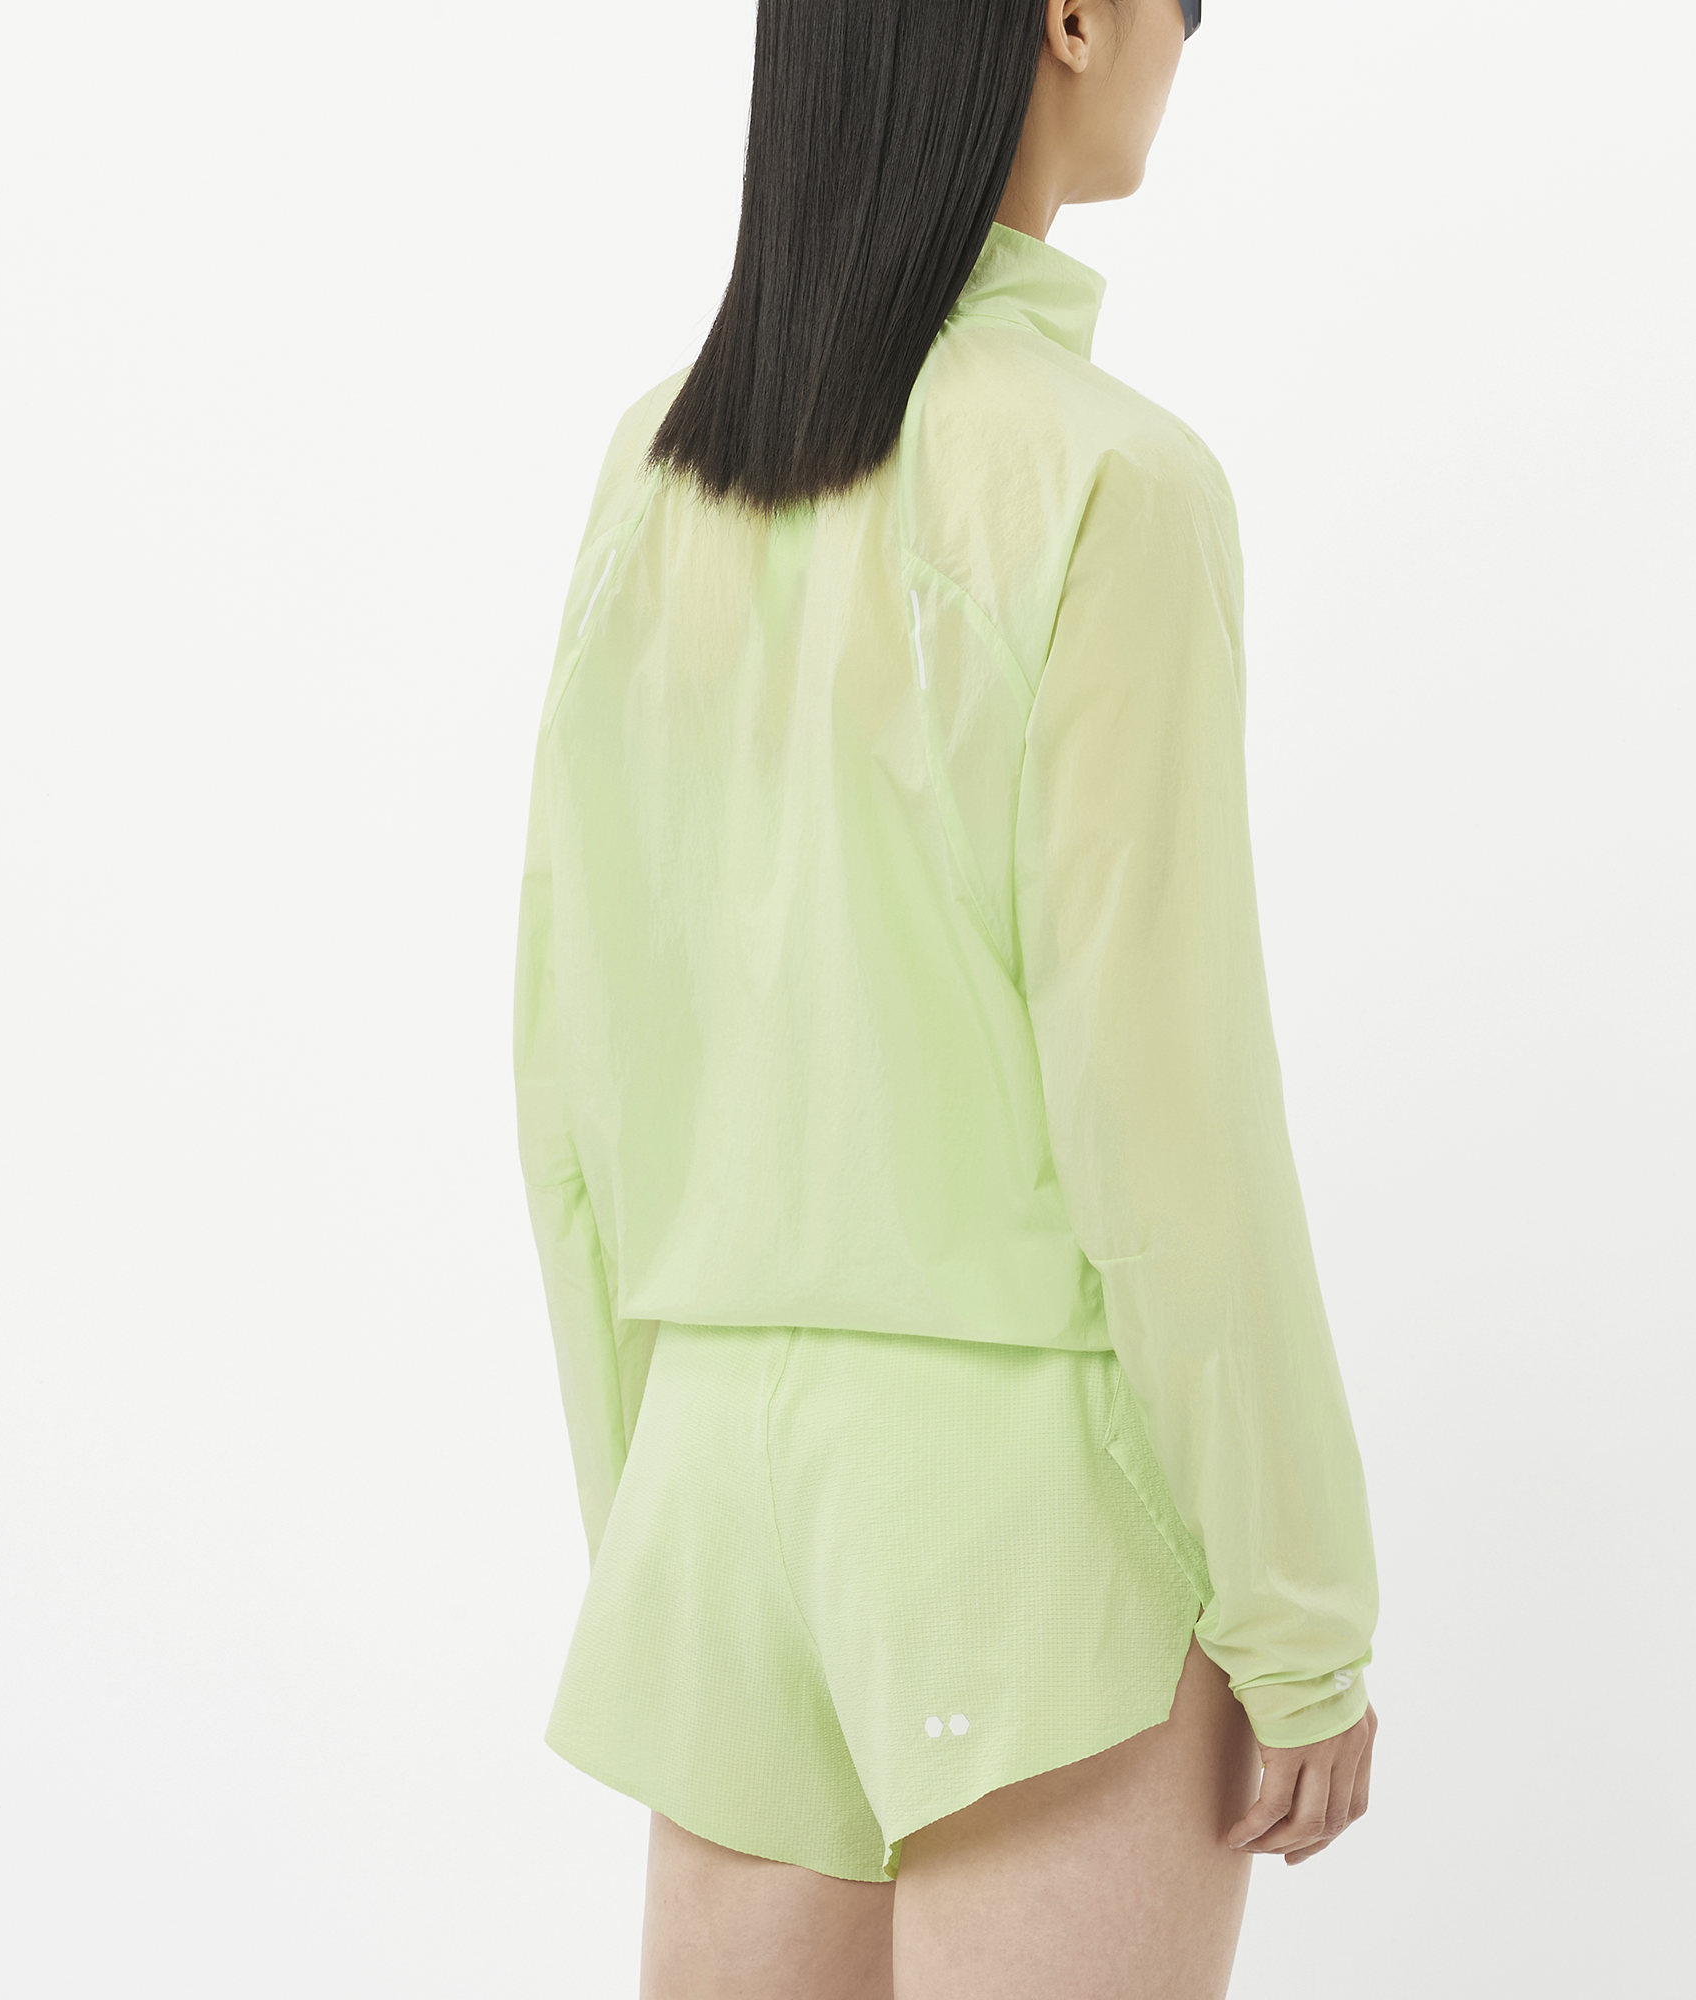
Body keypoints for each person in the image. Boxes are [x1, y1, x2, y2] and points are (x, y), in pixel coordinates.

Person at [512, 2, 1380, 1992]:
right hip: (1024, 1510)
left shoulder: (656, 469)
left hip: (714, 1490)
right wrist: (1299, 1614)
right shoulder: (1110, 483)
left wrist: (647, 1514)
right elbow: (1163, 1103)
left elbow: (572, 1060)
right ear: (1070, 18)